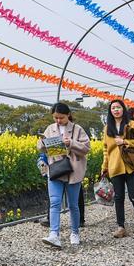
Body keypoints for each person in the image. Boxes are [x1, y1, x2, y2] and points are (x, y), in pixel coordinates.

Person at [38, 102, 91, 248]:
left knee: (73, 205)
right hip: (55, 169)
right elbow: (40, 148)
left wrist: (71, 143)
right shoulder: (50, 128)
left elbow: (87, 148)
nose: (58, 121)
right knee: (54, 202)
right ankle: (54, 234)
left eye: (61, 117)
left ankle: (74, 232)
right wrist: (43, 142)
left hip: (73, 171)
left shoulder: (77, 129)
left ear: (68, 115)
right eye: (55, 118)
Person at [103, 99, 134, 238]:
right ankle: (121, 227)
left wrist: (125, 141)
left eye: (118, 107)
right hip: (115, 166)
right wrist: (104, 166)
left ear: (123, 109)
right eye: (113, 108)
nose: (116, 110)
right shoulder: (107, 128)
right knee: (119, 197)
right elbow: (105, 149)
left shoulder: (132, 124)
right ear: (110, 111)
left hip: (130, 165)